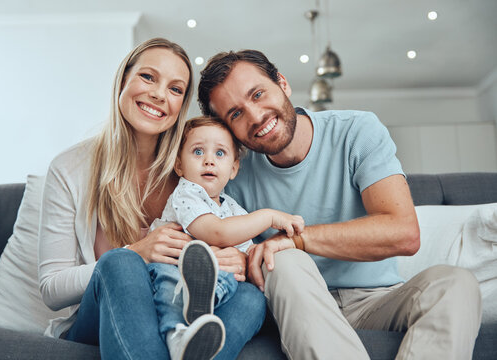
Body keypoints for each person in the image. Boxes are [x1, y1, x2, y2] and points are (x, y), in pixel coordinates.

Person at [197, 49, 482, 359]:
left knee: (457, 284)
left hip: (377, 300)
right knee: (286, 262)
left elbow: (404, 232)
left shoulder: (356, 131)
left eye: (258, 94)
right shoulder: (231, 173)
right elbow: (217, 243)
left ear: (283, 83)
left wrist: (297, 240)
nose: (255, 116)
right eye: (235, 114)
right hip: (295, 305)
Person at [37, 38, 266, 360]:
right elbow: (51, 289)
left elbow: (227, 232)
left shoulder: (196, 167)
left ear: (181, 105)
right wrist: (138, 252)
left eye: (175, 89)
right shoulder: (71, 167)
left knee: (251, 298)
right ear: (123, 80)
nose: (159, 94)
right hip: (101, 318)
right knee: (121, 262)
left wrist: (236, 261)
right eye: (148, 77)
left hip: (179, 311)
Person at [146, 116, 304, 358]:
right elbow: (217, 233)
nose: (209, 160)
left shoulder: (232, 208)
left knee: (245, 285)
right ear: (179, 165)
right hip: (171, 271)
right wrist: (269, 217)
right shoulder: (187, 194)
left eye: (220, 153)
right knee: (169, 286)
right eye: (198, 151)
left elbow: (246, 252)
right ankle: (177, 337)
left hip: (213, 288)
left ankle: (204, 304)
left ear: (233, 169)